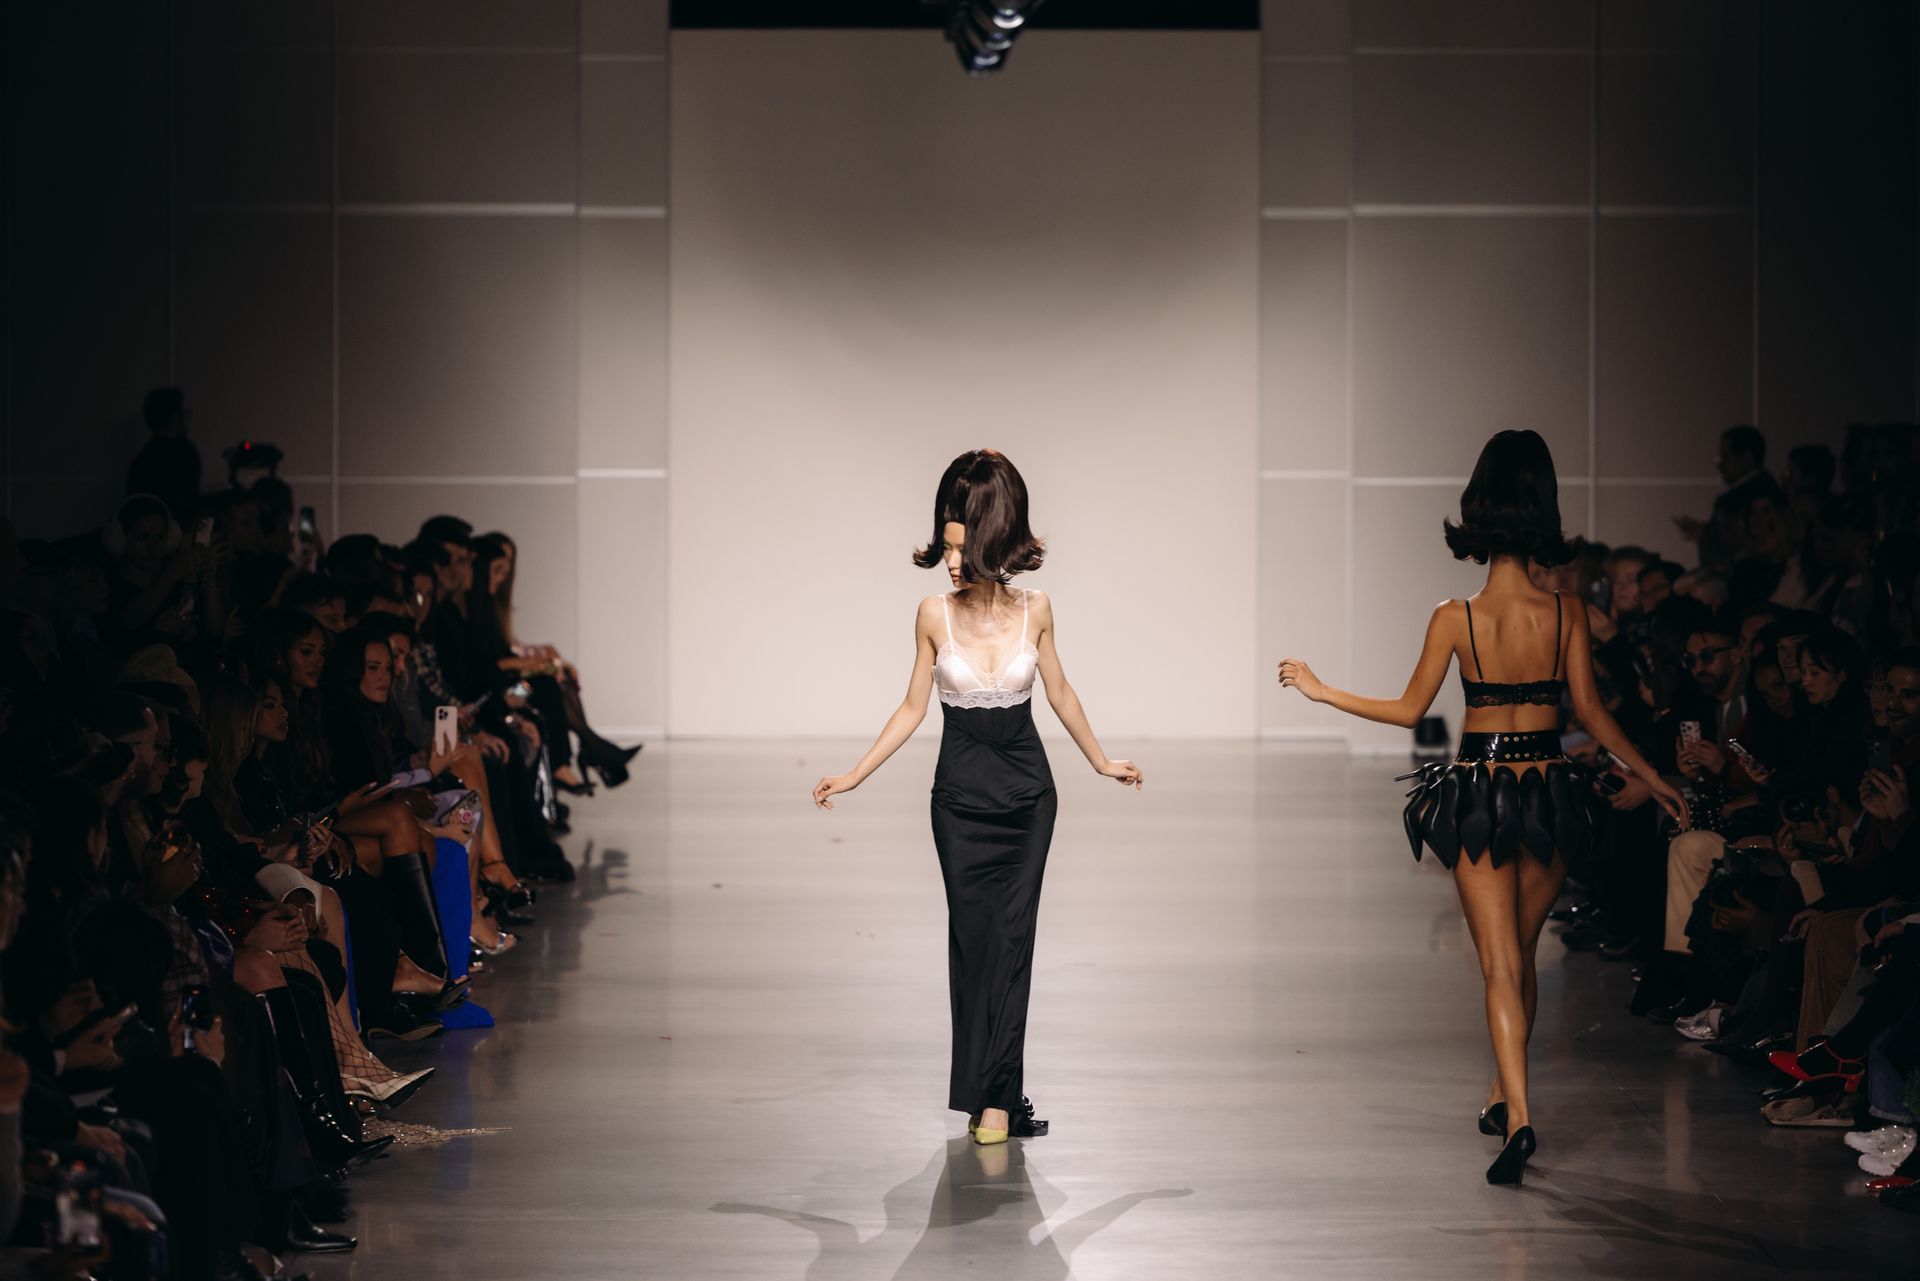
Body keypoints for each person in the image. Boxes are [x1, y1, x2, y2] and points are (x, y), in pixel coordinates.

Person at [1278, 429, 1687, 1185]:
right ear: (1543, 507)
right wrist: (1654, 774)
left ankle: (1522, 1113)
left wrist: (1320, 686)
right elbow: (1592, 713)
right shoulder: (1566, 612)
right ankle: (1505, 1094)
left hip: (1479, 795)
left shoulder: (1454, 616)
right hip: (1551, 797)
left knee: (1499, 964)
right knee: (1523, 954)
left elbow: (1409, 711)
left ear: (1477, 506)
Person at [810, 450, 1142, 1146]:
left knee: (1013, 940)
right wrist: (855, 773)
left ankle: (996, 1101)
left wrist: (1102, 761)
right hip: (958, 799)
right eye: (946, 545)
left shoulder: (1038, 609)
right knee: (973, 939)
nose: (952, 561)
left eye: (963, 546)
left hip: (1028, 797)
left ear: (996, 539)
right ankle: (989, 1090)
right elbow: (910, 708)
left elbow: (1060, 692)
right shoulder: (932, 613)